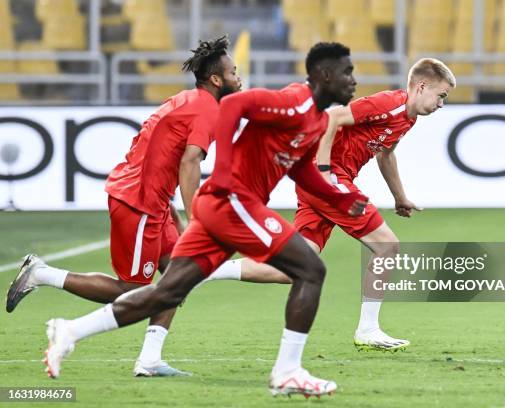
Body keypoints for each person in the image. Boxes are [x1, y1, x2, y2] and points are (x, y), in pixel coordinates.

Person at [42, 42, 367, 398]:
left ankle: (70, 330)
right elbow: (231, 104)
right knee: (311, 270)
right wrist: (225, 172)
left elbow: (301, 169)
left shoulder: (317, 120)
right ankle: (288, 370)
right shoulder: (294, 101)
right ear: (324, 75)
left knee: (167, 292)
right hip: (233, 202)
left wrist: (339, 197)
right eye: (347, 72)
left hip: (224, 206)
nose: (354, 80)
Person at [6, 35, 241, 377]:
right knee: (133, 290)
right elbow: (189, 163)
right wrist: (196, 221)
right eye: (234, 72)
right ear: (217, 79)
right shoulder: (208, 109)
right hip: (139, 204)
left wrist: (171, 211)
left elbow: (161, 155)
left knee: (179, 279)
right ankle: (42, 274)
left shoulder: (186, 100)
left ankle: (150, 360)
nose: (239, 77)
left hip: (153, 203)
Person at [205, 58, 456, 351]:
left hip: (327, 181)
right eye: (441, 96)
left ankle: (206, 270)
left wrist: (399, 197)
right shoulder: (390, 103)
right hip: (328, 177)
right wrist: (323, 170)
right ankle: (368, 329)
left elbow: (385, 154)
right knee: (387, 246)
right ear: (422, 86)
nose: (441, 104)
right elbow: (335, 117)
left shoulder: (407, 118)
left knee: (292, 268)